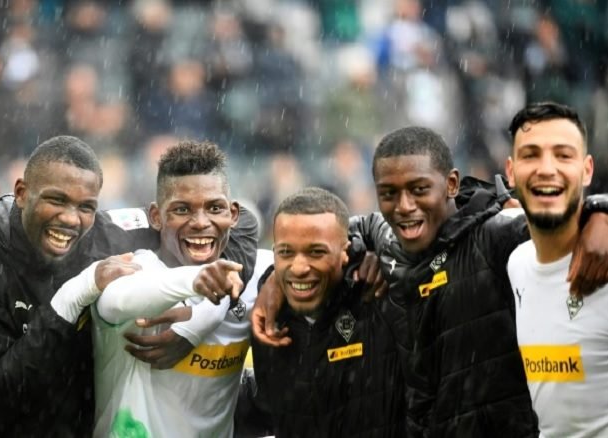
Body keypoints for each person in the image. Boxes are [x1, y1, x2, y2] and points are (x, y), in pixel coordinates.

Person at [253, 126, 608, 436]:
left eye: (419, 189)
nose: (404, 206)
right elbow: (337, 233)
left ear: (451, 183)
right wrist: (274, 282)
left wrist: (598, 214)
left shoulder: (493, 237)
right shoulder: (387, 242)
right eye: (389, 193)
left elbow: (555, 221)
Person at [0, 136, 258, 437]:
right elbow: (0, 397)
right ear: (21, 192)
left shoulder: (102, 234)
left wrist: (204, 316)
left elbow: (237, 224)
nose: (71, 218)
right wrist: (79, 291)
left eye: (86, 206)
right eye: (56, 200)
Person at [54, 140, 272, 437]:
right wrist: (196, 280)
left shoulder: (257, 278)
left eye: (214, 208)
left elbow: (329, 247)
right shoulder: (134, 270)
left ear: (233, 214)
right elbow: (116, 301)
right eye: (182, 209)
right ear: (156, 216)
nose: (200, 222)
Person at [248, 187, 405, 436]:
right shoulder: (267, 316)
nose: (299, 267)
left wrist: (383, 254)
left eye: (316, 252)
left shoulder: (381, 294)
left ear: (346, 251)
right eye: (286, 252)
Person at [506, 102, 608, 436]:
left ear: (587, 170)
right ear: (510, 171)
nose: (546, 168)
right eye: (531, 155)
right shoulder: (516, 263)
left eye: (563, 155)